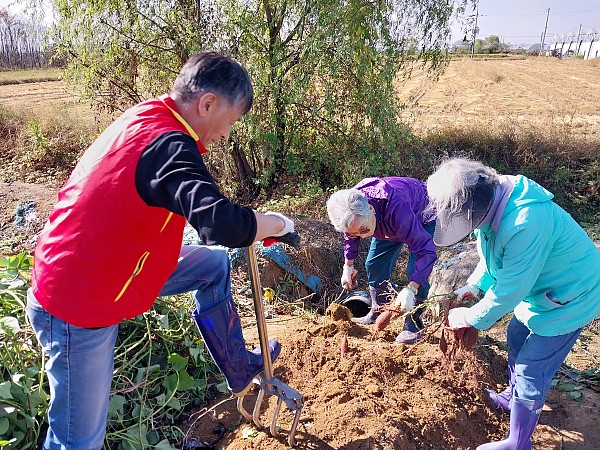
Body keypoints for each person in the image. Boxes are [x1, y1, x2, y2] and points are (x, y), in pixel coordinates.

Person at [26, 51, 295, 450]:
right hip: (80, 300)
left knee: (214, 265)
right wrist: (273, 223)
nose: (227, 135)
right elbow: (218, 223)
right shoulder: (167, 144)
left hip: (119, 262)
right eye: (232, 121)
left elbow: (199, 215)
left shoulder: (153, 117)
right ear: (207, 104)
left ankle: (238, 367)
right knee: (77, 441)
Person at [426, 157, 600, 450]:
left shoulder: (525, 222)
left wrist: (470, 316)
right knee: (516, 335)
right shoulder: (493, 197)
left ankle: (518, 442)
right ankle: (513, 395)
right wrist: (476, 285)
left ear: (477, 204)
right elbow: (492, 253)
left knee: (533, 367)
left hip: (573, 295)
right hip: (543, 287)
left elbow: (509, 290)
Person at [326, 177, 437, 344]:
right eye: (355, 233)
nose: (362, 236)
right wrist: (348, 265)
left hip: (420, 213)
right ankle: (379, 309)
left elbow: (426, 251)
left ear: (370, 208)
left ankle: (414, 322)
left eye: (363, 230)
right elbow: (351, 233)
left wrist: (411, 289)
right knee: (374, 264)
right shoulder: (351, 208)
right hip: (381, 221)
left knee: (414, 269)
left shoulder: (396, 209)